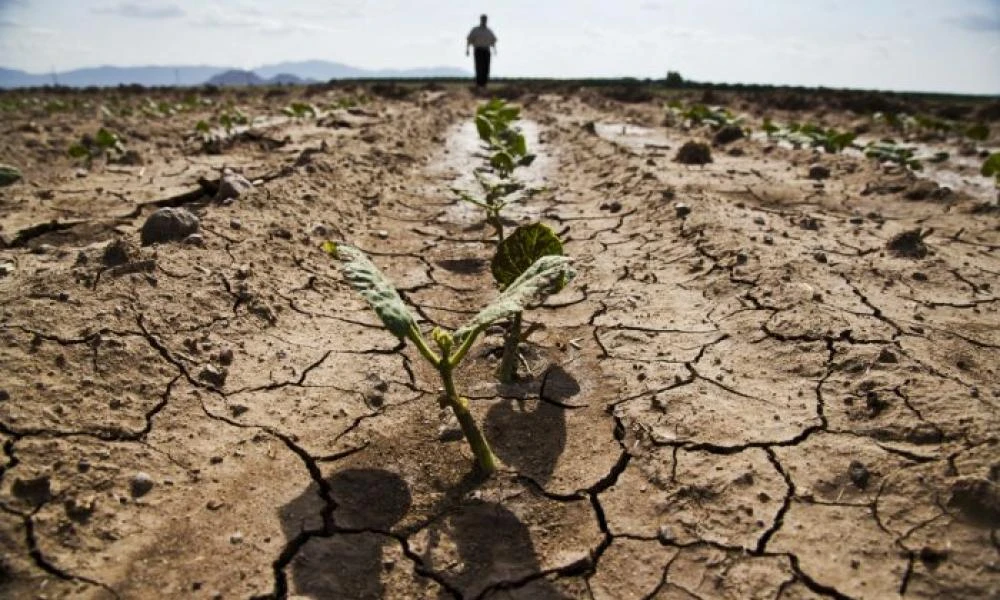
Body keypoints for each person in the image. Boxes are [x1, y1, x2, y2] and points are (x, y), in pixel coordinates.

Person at [466, 14, 497, 88]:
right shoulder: (475, 30)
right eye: (483, 19)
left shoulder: (489, 31)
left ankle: (484, 84)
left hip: (486, 50)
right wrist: (467, 49)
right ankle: (478, 84)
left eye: (485, 19)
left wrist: (495, 50)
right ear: (480, 20)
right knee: (479, 67)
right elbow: (469, 40)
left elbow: (493, 41)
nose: (484, 21)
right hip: (478, 50)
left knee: (486, 68)